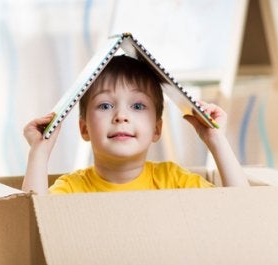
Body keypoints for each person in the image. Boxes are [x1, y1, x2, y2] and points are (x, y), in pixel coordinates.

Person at [22, 55, 249, 195]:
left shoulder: (172, 180)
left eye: (138, 106)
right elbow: (31, 225)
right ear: (84, 129)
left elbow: (241, 211)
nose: (121, 116)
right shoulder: (72, 188)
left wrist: (216, 140)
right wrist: (39, 152)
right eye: (105, 106)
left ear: (157, 130)